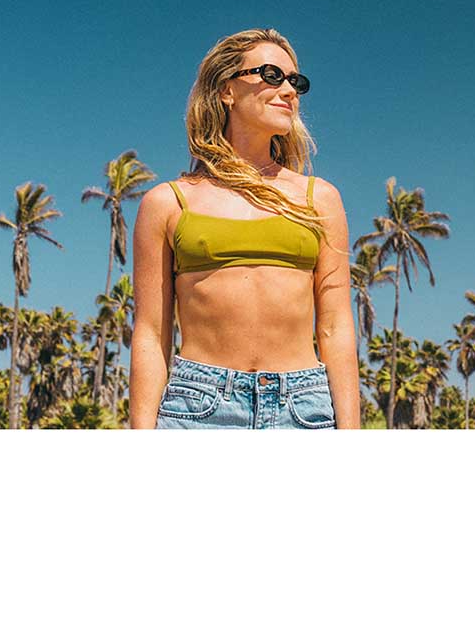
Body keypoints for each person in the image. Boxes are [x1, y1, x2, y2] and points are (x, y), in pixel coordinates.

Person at [129, 27, 360, 428]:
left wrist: (351, 434)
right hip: (197, 407)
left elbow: (335, 327)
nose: (288, 90)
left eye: (295, 82)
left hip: (303, 409)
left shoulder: (320, 198)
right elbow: (151, 334)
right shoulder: (167, 203)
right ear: (226, 90)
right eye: (271, 75)